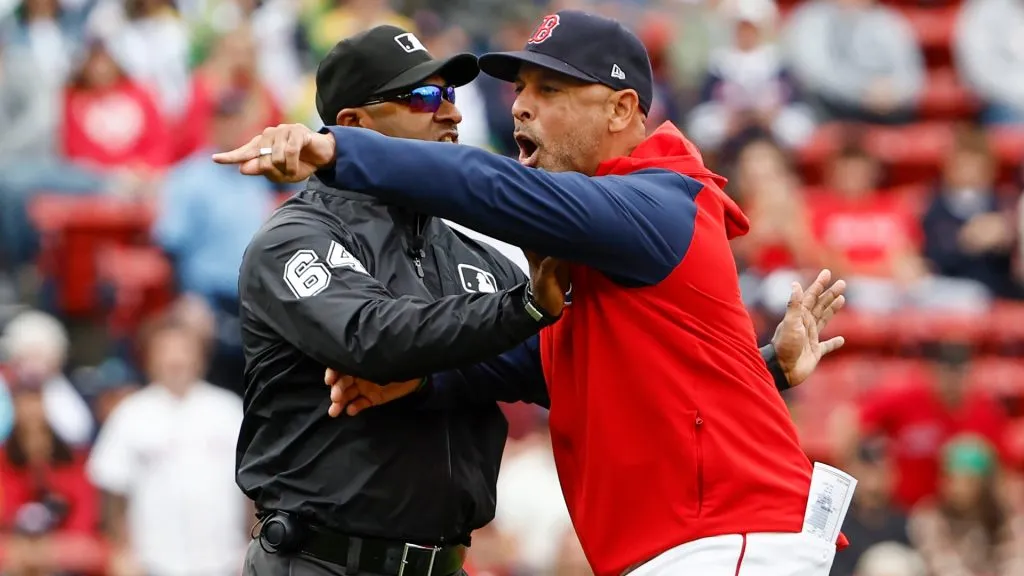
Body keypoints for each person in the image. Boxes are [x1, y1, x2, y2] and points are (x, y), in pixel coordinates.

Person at [215, 11, 852, 576]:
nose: (509, 107)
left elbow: (490, 187)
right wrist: (762, 369)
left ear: (621, 110)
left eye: (549, 90)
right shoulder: (297, 237)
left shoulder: (657, 203)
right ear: (357, 117)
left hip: (723, 540)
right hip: (317, 558)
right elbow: (550, 364)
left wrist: (334, 148)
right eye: (520, 89)